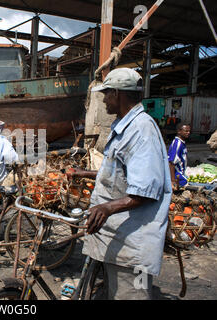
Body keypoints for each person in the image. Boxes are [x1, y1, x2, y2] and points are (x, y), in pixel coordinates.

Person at [69, 68, 172, 300]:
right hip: (118, 237)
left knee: (133, 294)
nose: (104, 99)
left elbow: (147, 190)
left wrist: (107, 208)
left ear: (117, 94)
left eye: (106, 94)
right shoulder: (124, 127)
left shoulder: (141, 129)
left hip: (134, 245)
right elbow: (121, 172)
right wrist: (86, 172)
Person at [168, 123, 191, 190]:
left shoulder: (182, 143)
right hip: (177, 175)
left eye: (189, 131)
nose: (188, 133)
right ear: (179, 131)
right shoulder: (177, 144)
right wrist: (172, 180)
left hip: (181, 172)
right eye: (186, 131)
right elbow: (171, 163)